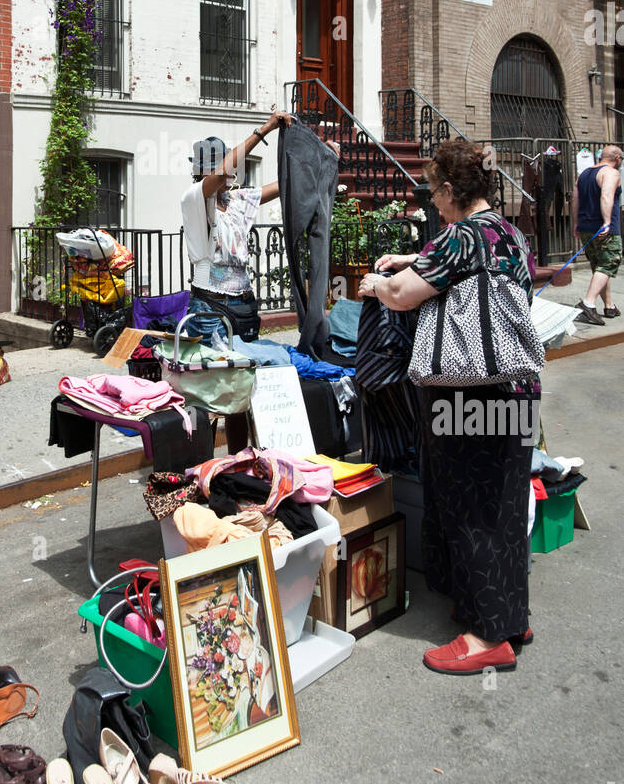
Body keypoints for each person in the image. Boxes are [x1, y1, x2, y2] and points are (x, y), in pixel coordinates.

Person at [357, 139, 539, 676]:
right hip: (516, 390)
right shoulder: (507, 232)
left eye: (434, 190)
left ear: (452, 191)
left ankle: (485, 637)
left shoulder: (457, 237)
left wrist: (375, 283)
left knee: (469, 508)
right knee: (504, 506)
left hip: (467, 396)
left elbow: (402, 296)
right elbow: (477, 269)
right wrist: (417, 258)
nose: (431, 201)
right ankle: (510, 614)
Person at [180, 112, 338, 450]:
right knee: (211, 398)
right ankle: (205, 468)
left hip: (244, 310)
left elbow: (287, 185)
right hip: (211, 313)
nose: (224, 173)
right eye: (216, 167)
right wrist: (263, 130)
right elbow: (219, 176)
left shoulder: (236, 201)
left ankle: (239, 465)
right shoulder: (194, 199)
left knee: (241, 397)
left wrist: (321, 158)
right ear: (200, 171)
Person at [571, 144, 623, 326]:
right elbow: (606, 196)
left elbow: (575, 199)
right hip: (604, 228)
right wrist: (607, 222)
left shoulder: (584, 174)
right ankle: (588, 304)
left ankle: (609, 306)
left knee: (599, 266)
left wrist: (576, 223)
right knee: (610, 261)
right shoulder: (611, 173)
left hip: (586, 227)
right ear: (617, 158)